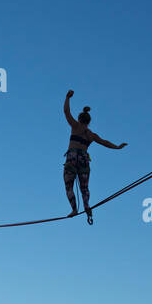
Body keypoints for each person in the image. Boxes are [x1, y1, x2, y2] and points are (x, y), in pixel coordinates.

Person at [63, 89, 126, 222]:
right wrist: (118, 147)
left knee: (69, 186)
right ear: (89, 121)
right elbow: (105, 143)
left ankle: (74, 209)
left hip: (72, 158)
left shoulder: (75, 126)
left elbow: (66, 112)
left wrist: (68, 98)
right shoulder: (91, 135)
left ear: (80, 119)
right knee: (84, 188)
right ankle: (86, 204)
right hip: (84, 160)